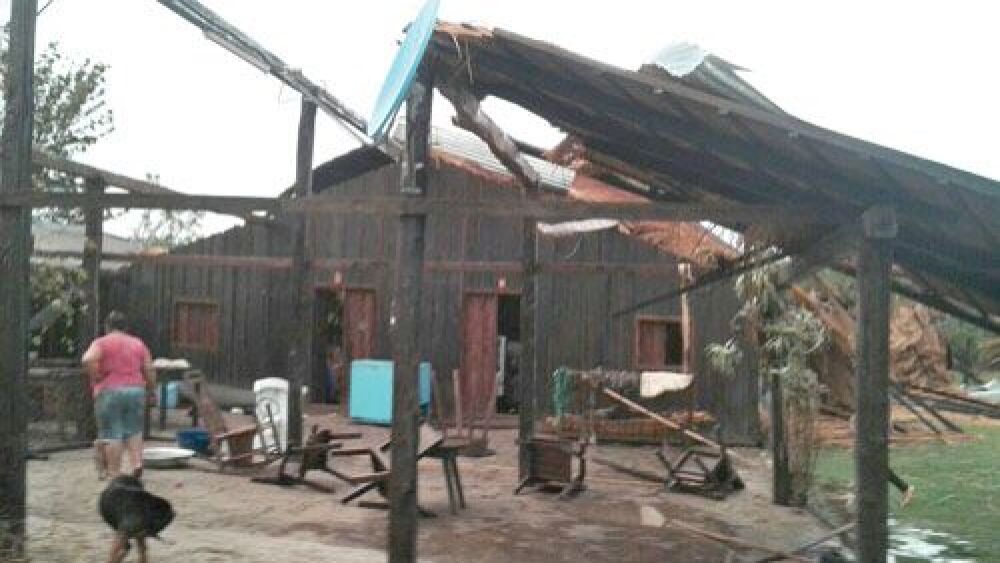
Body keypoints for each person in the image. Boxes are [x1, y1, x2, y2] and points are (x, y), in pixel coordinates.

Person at [82, 311, 156, 479]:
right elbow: (149, 369)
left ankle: (114, 472)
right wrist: (151, 389)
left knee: (112, 432)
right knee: (134, 430)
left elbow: (87, 359)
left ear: (107, 326)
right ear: (126, 327)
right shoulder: (138, 343)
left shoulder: (101, 343)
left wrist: (96, 376)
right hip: (136, 390)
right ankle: (137, 463)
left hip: (110, 390)